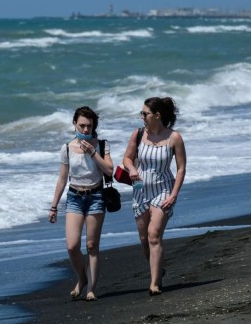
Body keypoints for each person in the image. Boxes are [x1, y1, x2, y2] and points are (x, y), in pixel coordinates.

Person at [49, 106, 114, 301]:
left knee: (92, 245)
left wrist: (93, 153)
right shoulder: (67, 148)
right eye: (82, 126)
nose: (86, 130)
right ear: (74, 124)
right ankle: (82, 278)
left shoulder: (102, 145)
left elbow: (110, 170)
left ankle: (91, 289)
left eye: (89, 126)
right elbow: (62, 179)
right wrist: (53, 207)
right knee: (72, 245)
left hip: (96, 196)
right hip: (75, 197)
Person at [122, 97, 186, 296]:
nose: (142, 117)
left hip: (163, 190)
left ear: (157, 115)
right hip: (140, 190)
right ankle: (159, 270)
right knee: (143, 239)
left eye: (145, 113)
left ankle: (154, 284)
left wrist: (174, 195)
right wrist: (131, 168)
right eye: (141, 113)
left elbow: (181, 168)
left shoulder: (174, 137)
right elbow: (127, 158)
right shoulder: (138, 134)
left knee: (154, 234)